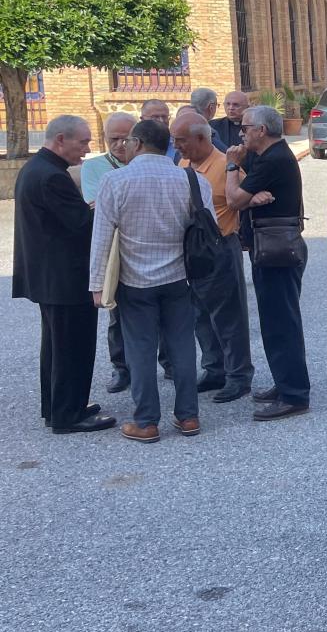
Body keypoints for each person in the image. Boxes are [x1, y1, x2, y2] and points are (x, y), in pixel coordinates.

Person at [90, 118, 211, 442]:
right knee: (182, 346)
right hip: (178, 277)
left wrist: (97, 285)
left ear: (138, 143)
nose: (124, 147)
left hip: (134, 279)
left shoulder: (115, 181)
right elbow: (205, 225)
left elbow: (101, 238)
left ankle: (146, 421)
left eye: (128, 142)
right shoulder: (192, 179)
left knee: (140, 350)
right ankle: (188, 417)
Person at [14, 116, 112, 434]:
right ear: (60, 139)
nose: (87, 149)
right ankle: (68, 415)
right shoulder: (51, 177)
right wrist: (101, 209)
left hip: (49, 276)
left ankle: (57, 406)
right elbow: (81, 225)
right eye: (82, 142)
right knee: (72, 346)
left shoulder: (37, 168)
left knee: (56, 346)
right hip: (64, 277)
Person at [225, 105, 311, 420]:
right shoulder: (268, 158)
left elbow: (234, 199)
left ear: (261, 130)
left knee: (281, 322)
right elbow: (247, 195)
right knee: (274, 321)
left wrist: (232, 167)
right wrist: (251, 192)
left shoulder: (273, 159)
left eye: (245, 127)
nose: (241, 132)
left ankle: (294, 394)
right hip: (272, 247)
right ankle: (285, 382)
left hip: (277, 250)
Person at [173, 111, 254, 403]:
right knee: (200, 315)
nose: (177, 146)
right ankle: (214, 369)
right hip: (194, 249)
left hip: (221, 246)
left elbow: (247, 198)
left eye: (181, 141)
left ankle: (239, 375)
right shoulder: (182, 164)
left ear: (200, 138)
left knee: (229, 316)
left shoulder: (225, 166)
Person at [81, 112, 143, 395]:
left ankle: (166, 363)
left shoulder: (151, 163)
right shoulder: (94, 167)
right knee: (116, 313)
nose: (119, 144)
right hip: (113, 251)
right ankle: (122, 368)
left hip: (144, 246)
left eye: (125, 138)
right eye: (112, 139)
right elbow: (94, 207)